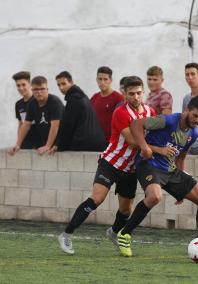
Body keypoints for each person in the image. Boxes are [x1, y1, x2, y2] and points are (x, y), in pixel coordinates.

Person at [57, 76, 155, 255]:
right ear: (124, 94)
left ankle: (114, 232)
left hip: (131, 169)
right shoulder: (121, 112)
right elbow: (133, 141)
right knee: (97, 198)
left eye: (139, 93)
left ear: (144, 92)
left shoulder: (150, 112)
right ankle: (66, 234)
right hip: (110, 162)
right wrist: (158, 149)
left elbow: (155, 135)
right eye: (131, 93)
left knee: (126, 209)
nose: (136, 97)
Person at [117, 96, 198, 257]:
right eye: (195, 115)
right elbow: (136, 124)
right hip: (149, 165)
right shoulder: (167, 121)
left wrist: (181, 189)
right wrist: (145, 148)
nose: (197, 120)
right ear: (187, 110)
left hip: (170, 169)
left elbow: (181, 157)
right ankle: (125, 234)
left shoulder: (193, 133)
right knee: (155, 196)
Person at [8, 76, 64, 156]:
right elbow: (26, 124)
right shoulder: (32, 103)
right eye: (36, 89)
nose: (39, 92)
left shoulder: (55, 102)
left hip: (58, 143)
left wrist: (48, 145)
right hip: (43, 143)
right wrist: (18, 144)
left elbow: (55, 126)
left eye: (42, 89)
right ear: (32, 90)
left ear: (47, 89)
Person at [52, 71, 106, 152]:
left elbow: (68, 125)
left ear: (71, 82)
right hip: (97, 143)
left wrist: (59, 145)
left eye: (64, 84)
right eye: (59, 85)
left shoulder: (73, 99)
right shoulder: (82, 96)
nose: (61, 88)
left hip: (84, 144)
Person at [90, 66, 124, 143]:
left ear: (110, 80)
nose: (102, 82)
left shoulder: (118, 98)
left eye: (105, 79)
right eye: (100, 79)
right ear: (96, 79)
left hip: (112, 141)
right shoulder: (94, 97)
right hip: (96, 141)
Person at [12, 71, 39, 149]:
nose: (21, 88)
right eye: (18, 85)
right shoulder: (18, 104)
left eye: (23, 85)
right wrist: (18, 143)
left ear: (30, 84)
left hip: (39, 145)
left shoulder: (38, 100)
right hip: (25, 145)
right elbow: (20, 124)